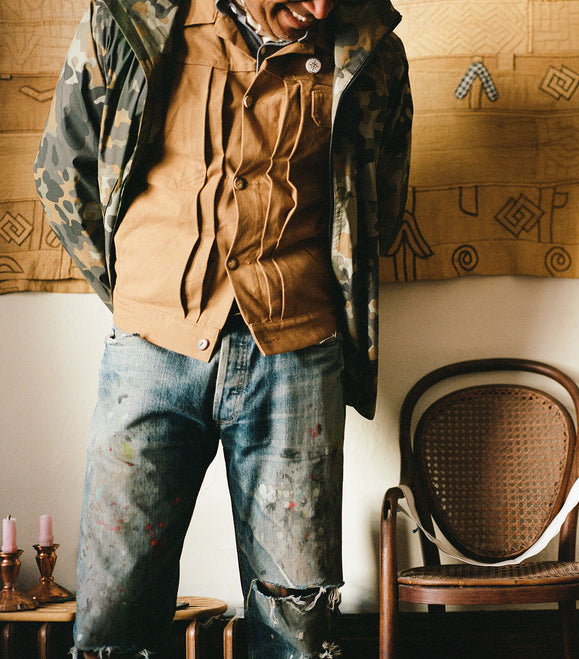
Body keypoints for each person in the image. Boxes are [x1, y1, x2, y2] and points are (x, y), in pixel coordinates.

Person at [33, 0, 412, 655]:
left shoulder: (369, 50)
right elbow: (61, 173)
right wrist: (138, 293)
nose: (318, 7)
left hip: (297, 356)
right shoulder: (131, 21)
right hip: (148, 355)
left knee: (297, 623)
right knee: (113, 617)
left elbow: (382, 201)